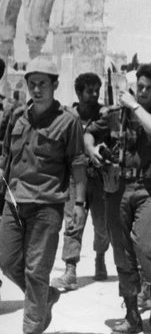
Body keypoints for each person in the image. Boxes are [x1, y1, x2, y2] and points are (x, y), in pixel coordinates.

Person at [0, 56, 87, 334]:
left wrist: (79, 204)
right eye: (32, 84)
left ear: (55, 85)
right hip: (14, 201)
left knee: (36, 270)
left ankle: (32, 327)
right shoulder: (17, 115)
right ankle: (45, 296)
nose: (36, 90)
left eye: (43, 84)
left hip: (47, 204)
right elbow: (6, 157)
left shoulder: (68, 121)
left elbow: (77, 164)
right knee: (7, 261)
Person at [93, 63, 151, 333]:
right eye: (139, 86)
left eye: (148, 88)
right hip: (117, 187)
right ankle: (131, 313)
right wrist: (92, 149)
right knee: (122, 252)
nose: (142, 92)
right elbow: (89, 132)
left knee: (146, 244)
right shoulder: (117, 114)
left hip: (148, 189)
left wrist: (134, 105)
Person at [52, 72, 110, 292]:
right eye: (89, 91)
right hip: (75, 179)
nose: (94, 95)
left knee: (102, 225)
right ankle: (70, 270)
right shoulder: (67, 116)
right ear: (78, 92)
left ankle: (100, 257)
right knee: (73, 223)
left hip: (100, 178)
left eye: (97, 90)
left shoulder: (105, 115)